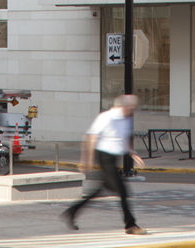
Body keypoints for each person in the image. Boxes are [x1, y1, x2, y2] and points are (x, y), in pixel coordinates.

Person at [63, 94, 148, 236]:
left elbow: (124, 138)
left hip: (114, 158)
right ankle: (130, 224)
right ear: (123, 106)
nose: (133, 109)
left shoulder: (127, 119)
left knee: (100, 189)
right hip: (104, 157)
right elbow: (90, 137)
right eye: (131, 106)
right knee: (123, 191)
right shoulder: (106, 117)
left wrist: (132, 153)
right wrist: (87, 160)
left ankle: (72, 212)